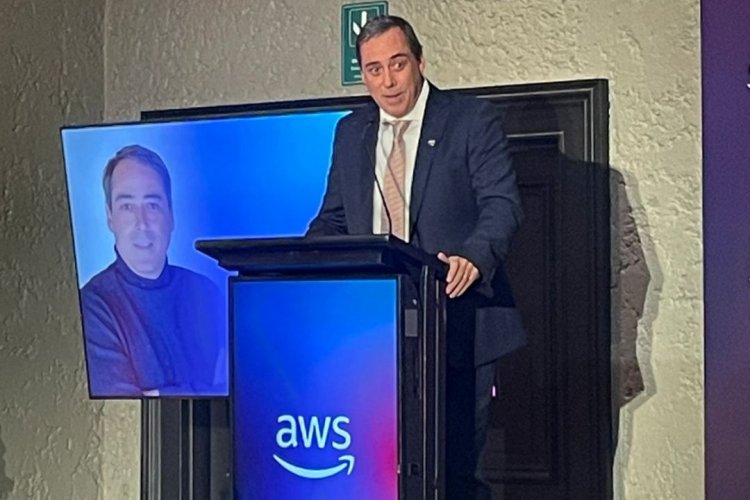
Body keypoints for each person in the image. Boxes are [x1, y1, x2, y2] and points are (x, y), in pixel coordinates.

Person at [306, 15, 524, 499]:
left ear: (420, 62)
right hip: (373, 333)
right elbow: (335, 219)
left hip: (458, 322)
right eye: (374, 69)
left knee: (454, 475)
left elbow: (502, 205)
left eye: (398, 64)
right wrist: (304, 266)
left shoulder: (470, 120)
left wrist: (472, 257)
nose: (387, 81)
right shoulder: (351, 132)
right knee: (381, 469)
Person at [81, 145, 226, 397]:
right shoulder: (93, 305)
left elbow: (238, 390)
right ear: (110, 217)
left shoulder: (206, 292)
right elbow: (124, 408)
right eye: (127, 206)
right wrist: (203, 390)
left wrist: (158, 393)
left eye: (152, 205)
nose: (142, 223)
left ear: (171, 215)